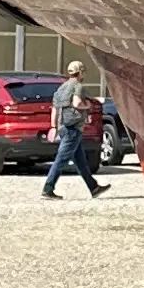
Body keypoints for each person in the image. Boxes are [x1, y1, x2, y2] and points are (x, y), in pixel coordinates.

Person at [39, 70, 102, 201]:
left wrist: (53, 127)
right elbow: (77, 103)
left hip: (63, 127)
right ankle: (48, 188)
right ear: (80, 73)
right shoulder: (77, 86)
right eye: (84, 72)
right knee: (61, 159)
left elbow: (55, 109)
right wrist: (88, 105)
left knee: (80, 161)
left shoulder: (61, 88)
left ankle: (94, 187)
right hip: (73, 128)